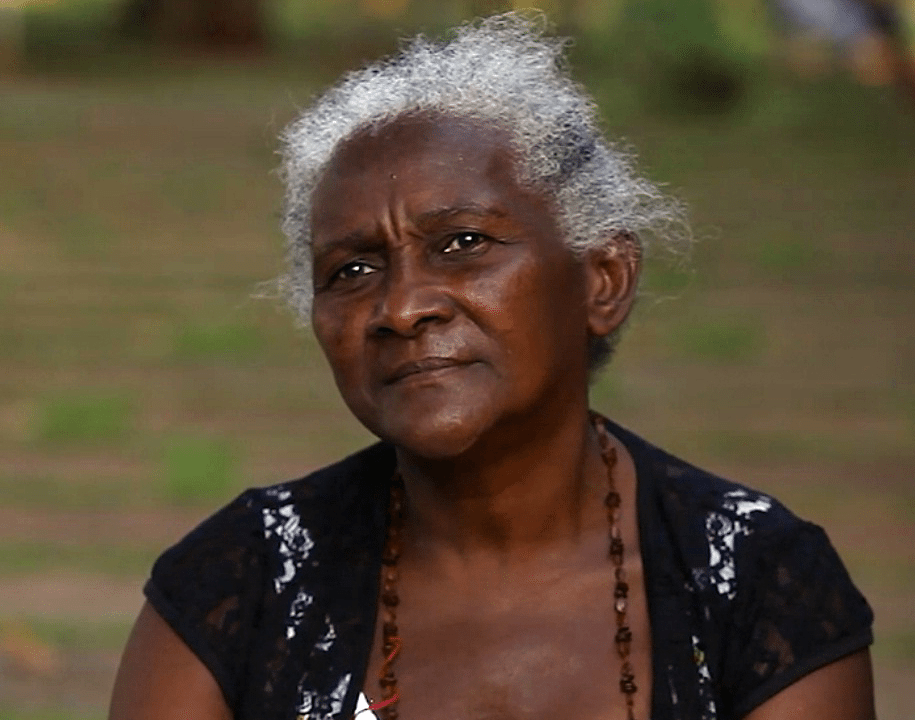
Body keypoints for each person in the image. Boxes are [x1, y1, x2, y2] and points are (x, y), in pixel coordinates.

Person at [109, 14, 875, 720]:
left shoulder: (755, 583)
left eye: (464, 243)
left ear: (602, 279)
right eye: (351, 271)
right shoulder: (240, 583)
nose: (402, 307)